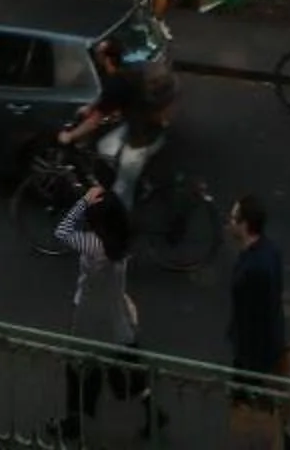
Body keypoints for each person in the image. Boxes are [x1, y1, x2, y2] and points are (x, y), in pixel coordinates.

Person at [48, 185, 151, 445]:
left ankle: (74, 421)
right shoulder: (121, 242)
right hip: (115, 311)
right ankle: (153, 412)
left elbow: (61, 232)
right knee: (127, 365)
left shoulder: (94, 244)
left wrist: (82, 201)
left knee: (78, 368)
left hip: (90, 315)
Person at [62, 35, 177, 200]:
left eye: (99, 53)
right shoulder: (128, 69)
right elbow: (107, 99)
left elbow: (95, 120)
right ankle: (133, 176)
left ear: (106, 58)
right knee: (104, 147)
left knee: (121, 190)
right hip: (138, 123)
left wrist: (70, 136)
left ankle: (121, 220)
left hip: (144, 137)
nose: (96, 56)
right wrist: (90, 107)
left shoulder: (118, 82)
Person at [226, 191, 290, 445]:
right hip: (265, 344)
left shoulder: (253, 268)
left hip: (253, 353)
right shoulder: (270, 251)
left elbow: (252, 315)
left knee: (251, 404)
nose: (229, 222)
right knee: (256, 403)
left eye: (233, 218)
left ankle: (274, 440)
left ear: (245, 225)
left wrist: (246, 357)